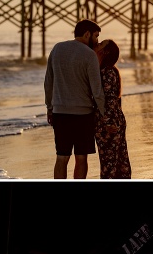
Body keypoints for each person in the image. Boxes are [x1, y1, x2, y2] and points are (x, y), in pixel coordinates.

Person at [44, 20, 105, 179]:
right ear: (87, 34)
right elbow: (96, 90)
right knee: (81, 157)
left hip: (60, 112)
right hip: (83, 115)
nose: (97, 41)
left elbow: (48, 82)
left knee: (62, 157)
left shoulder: (57, 49)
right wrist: (104, 113)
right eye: (96, 36)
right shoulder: (89, 54)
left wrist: (49, 108)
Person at [94, 41, 131, 179]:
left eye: (101, 44)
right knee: (120, 161)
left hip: (108, 123)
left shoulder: (106, 72)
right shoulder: (110, 70)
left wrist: (108, 122)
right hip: (115, 119)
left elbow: (110, 99)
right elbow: (116, 100)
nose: (97, 43)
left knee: (109, 163)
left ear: (105, 52)